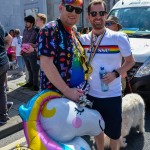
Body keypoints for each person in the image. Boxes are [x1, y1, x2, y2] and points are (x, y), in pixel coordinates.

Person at [80, 0, 135, 150]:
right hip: (91, 95)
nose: (98, 17)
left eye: (101, 13)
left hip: (112, 95)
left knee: (114, 133)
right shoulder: (82, 40)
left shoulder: (118, 37)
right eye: (93, 13)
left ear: (106, 15)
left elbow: (130, 62)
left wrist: (116, 73)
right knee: (97, 129)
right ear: (88, 17)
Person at [37, 0, 85, 101]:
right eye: (70, 8)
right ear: (60, 8)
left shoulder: (73, 32)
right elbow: (46, 64)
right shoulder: (49, 30)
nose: (73, 13)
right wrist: (67, 91)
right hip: (57, 99)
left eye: (77, 10)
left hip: (75, 96)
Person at [105, 15, 126, 94]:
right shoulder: (104, 37)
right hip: (106, 75)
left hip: (118, 73)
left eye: (109, 24)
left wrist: (123, 71)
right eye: (105, 24)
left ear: (116, 27)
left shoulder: (122, 37)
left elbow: (127, 57)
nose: (106, 26)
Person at [21, 15, 39, 91]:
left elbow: (39, 42)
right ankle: (30, 83)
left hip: (33, 54)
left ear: (31, 23)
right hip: (25, 54)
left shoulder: (36, 31)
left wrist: (33, 46)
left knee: (34, 70)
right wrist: (21, 49)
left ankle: (36, 85)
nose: (26, 23)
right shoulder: (24, 30)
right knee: (29, 69)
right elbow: (23, 41)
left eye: (27, 22)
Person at [0, 23, 13, 125]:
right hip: (4, 62)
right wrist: (4, 49)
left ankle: (3, 112)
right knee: (1, 89)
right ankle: (4, 112)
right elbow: (9, 38)